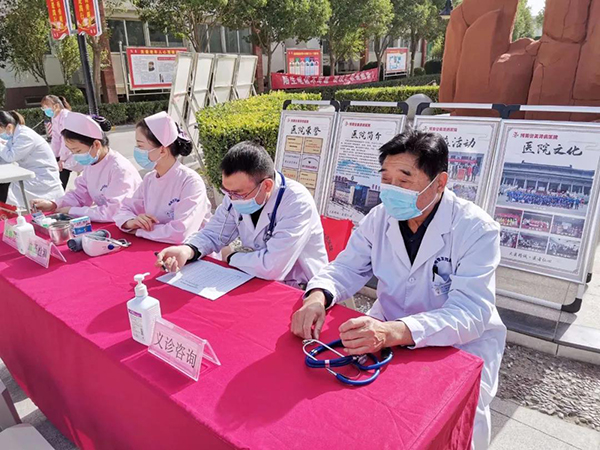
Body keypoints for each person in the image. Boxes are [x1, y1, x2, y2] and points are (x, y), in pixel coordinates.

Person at [291, 129, 506, 450]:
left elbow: (470, 313)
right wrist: (317, 296)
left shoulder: (475, 228)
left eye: (404, 180)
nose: (392, 191)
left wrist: (394, 331)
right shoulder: (380, 218)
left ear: (440, 182)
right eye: (386, 179)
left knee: (452, 428)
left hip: (460, 345)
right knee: (376, 418)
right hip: (388, 329)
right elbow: (347, 267)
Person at [155, 141, 329, 288]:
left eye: (238, 194)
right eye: (227, 192)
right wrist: (187, 250)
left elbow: (273, 266)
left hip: (299, 287)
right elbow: (214, 233)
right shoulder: (235, 194)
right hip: (253, 277)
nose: (231, 199)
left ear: (267, 186)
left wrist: (231, 257)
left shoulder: (297, 203)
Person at [113, 112, 211, 244]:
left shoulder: (190, 182)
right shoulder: (149, 179)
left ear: (163, 150)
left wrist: (139, 231)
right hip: (157, 245)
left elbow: (181, 232)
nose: (137, 150)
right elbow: (123, 209)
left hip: (191, 251)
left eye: (140, 146)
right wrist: (131, 222)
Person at [31, 112, 141, 222]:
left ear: (96, 145)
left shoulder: (120, 169)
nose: (75, 156)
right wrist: (53, 204)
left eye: (78, 151)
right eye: (71, 151)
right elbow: (79, 195)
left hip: (131, 222)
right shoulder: (91, 164)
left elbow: (113, 212)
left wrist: (73, 211)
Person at [0, 110, 64, 208]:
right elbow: (4, 156)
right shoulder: (15, 135)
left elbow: (11, 156)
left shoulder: (25, 136)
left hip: (43, 176)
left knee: (6, 188)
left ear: (8, 127)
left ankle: (7, 213)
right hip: (33, 173)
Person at [40, 95, 81, 189]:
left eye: (46, 108)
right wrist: (54, 156)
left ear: (56, 106)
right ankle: (58, 191)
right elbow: (55, 138)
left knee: (63, 168)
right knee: (58, 167)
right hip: (69, 149)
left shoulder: (66, 117)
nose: (45, 111)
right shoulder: (55, 117)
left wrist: (62, 158)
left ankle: (59, 192)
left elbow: (65, 140)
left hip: (75, 148)